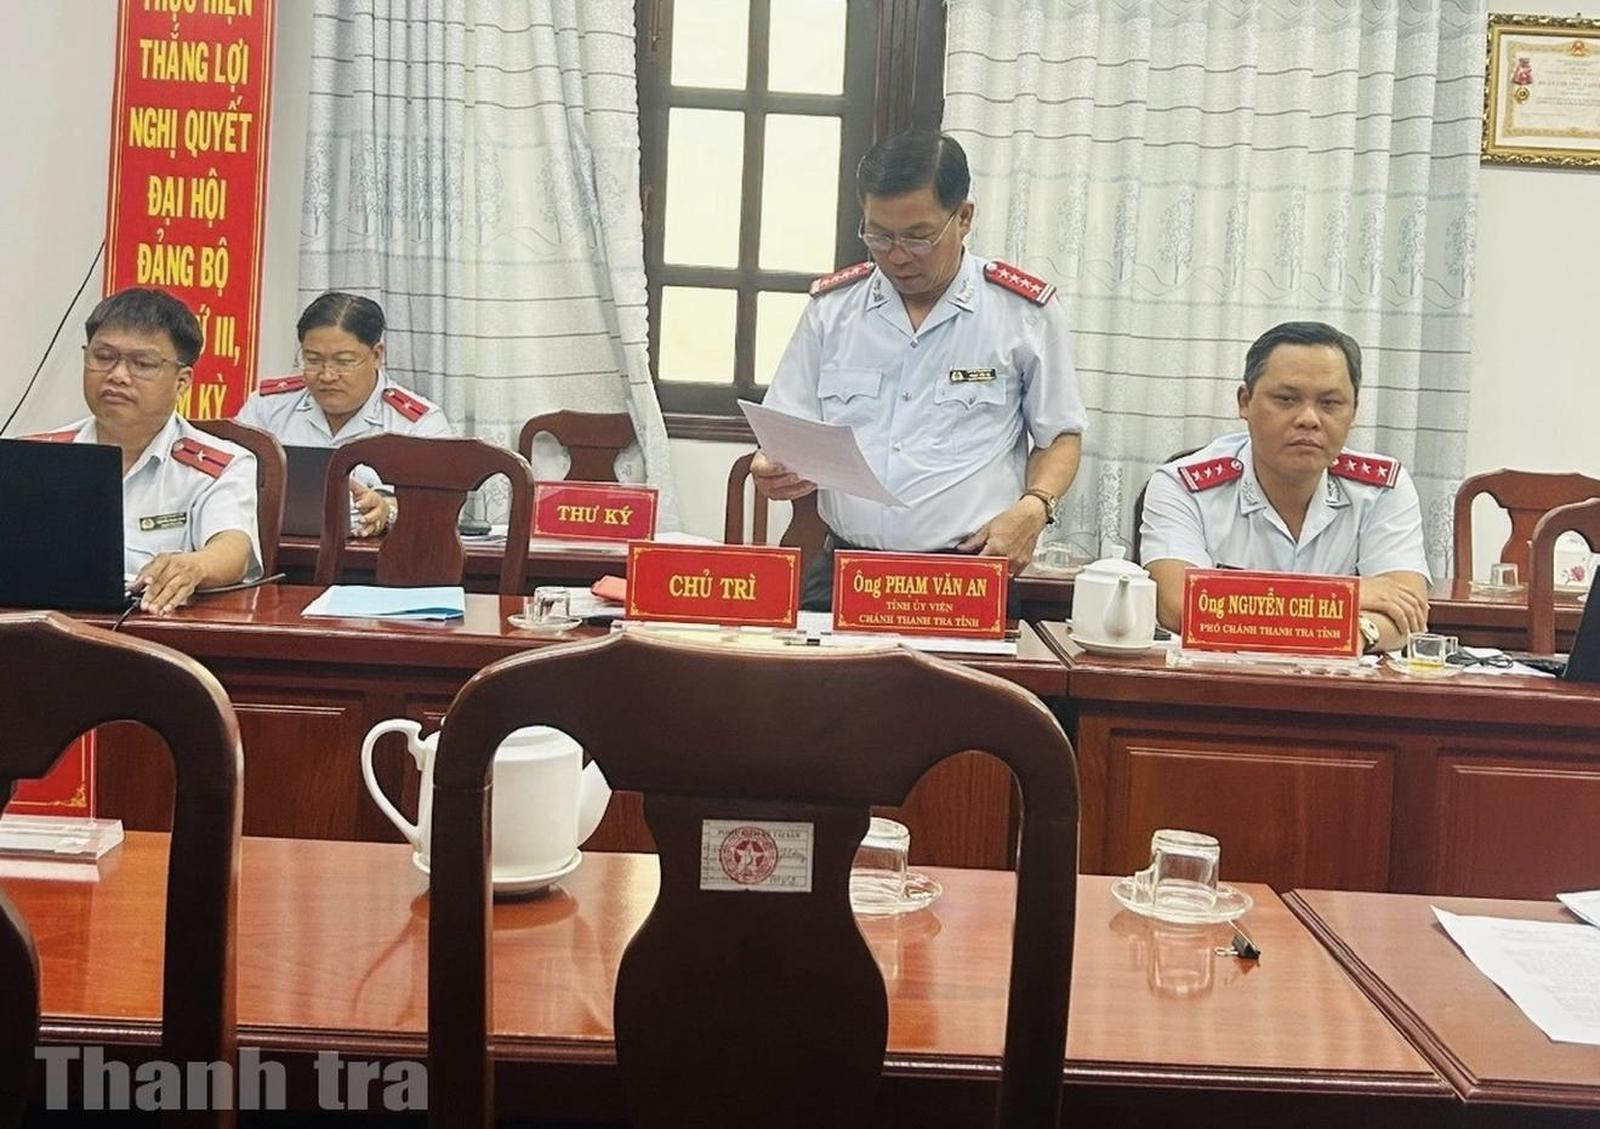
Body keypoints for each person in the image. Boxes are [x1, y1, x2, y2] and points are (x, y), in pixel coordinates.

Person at [753, 130, 1087, 609]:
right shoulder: (833, 310)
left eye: (917, 236)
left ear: (964, 218)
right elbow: (785, 428)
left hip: (965, 577)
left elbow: (1060, 437)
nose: (897, 255)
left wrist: (1035, 506)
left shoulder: (1022, 312)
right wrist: (772, 466)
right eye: (879, 235)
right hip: (848, 570)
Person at [1138, 321, 1431, 652]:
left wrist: (1354, 631)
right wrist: (1348, 595)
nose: (1309, 419)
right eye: (1287, 399)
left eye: (1330, 403)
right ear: (1245, 402)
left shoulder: (1383, 489)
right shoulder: (1183, 485)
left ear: (1354, 412)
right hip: (1217, 680)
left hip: (1339, 681)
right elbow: (1179, 607)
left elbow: (1407, 615)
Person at [25, 287, 260, 615]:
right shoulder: (33, 457)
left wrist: (195, 566)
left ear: (182, 381)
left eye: (143, 363)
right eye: (103, 357)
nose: (118, 375)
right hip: (41, 629)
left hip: (155, 631)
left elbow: (233, 549)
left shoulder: (220, 466)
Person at [236, 291, 452, 536]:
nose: (327, 375)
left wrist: (389, 510)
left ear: (377, 356)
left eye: (344, 362)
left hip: (376, 557)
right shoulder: (266, 408)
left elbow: (441, 507)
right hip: (276, 552)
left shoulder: (418, 424)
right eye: (313, 360)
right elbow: (227, 482)